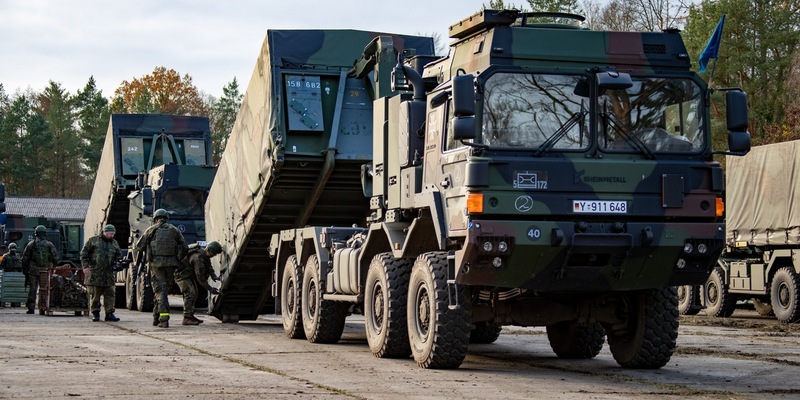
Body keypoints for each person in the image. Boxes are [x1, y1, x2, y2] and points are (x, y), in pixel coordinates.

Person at [136, 208, 187, 328]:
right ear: (166, 218)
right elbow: (184, 247)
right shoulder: (174, 230)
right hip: (171, 265)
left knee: (160, 291)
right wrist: (178, 259)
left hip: (156, 266)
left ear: (155, 219)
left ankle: (164, 319)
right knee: (163, 291)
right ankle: (156, 317)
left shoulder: (151, 230)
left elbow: (139, 246)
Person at [81, 224, 122, 322]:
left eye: (113, 234)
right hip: (95, 273)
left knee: (110, 293)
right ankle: (95, 313)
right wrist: (85, 266)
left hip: (108, 274)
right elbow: (84, 253)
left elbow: (118, 255)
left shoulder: (114, 243)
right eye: (110, 234)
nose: (111, 236)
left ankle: (109, 313)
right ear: (104, 232)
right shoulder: (93, 241)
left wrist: (118, 263)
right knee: (95, 294)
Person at [175, 241, 223, 325]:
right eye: (213, 254)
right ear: (209, 250)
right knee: (190, 293)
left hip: (188, 276)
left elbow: (209, 266)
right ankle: (187, 318)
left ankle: (190, 315)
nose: (213, 256)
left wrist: (214, 276)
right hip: (181, 276)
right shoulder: (197, 258)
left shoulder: (204, 254)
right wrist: (210, 289)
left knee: (195, 293)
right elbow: (200, 277)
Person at [21, 226, 59, 314]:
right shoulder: (49, 244)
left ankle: (31, 308)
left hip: (33, 271)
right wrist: (53, 268)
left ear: (36, 234)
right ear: (45, 233)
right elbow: (56, 258)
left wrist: (25, 270)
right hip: (45, 271)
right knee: (44, 290)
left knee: (33, 290)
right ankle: (43, 308)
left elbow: (25, 258)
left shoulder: (31, 244)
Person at [0, 243, 23, 307]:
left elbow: (20, 265)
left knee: (16, 290)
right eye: (12, 248)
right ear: (9, 249)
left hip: (17, 275)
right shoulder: (6, 256)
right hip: (8, 274)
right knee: (7, 290)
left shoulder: (18, 256)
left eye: (14, 248)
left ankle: (15, 303)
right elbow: (2, 265)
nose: (13, 249)